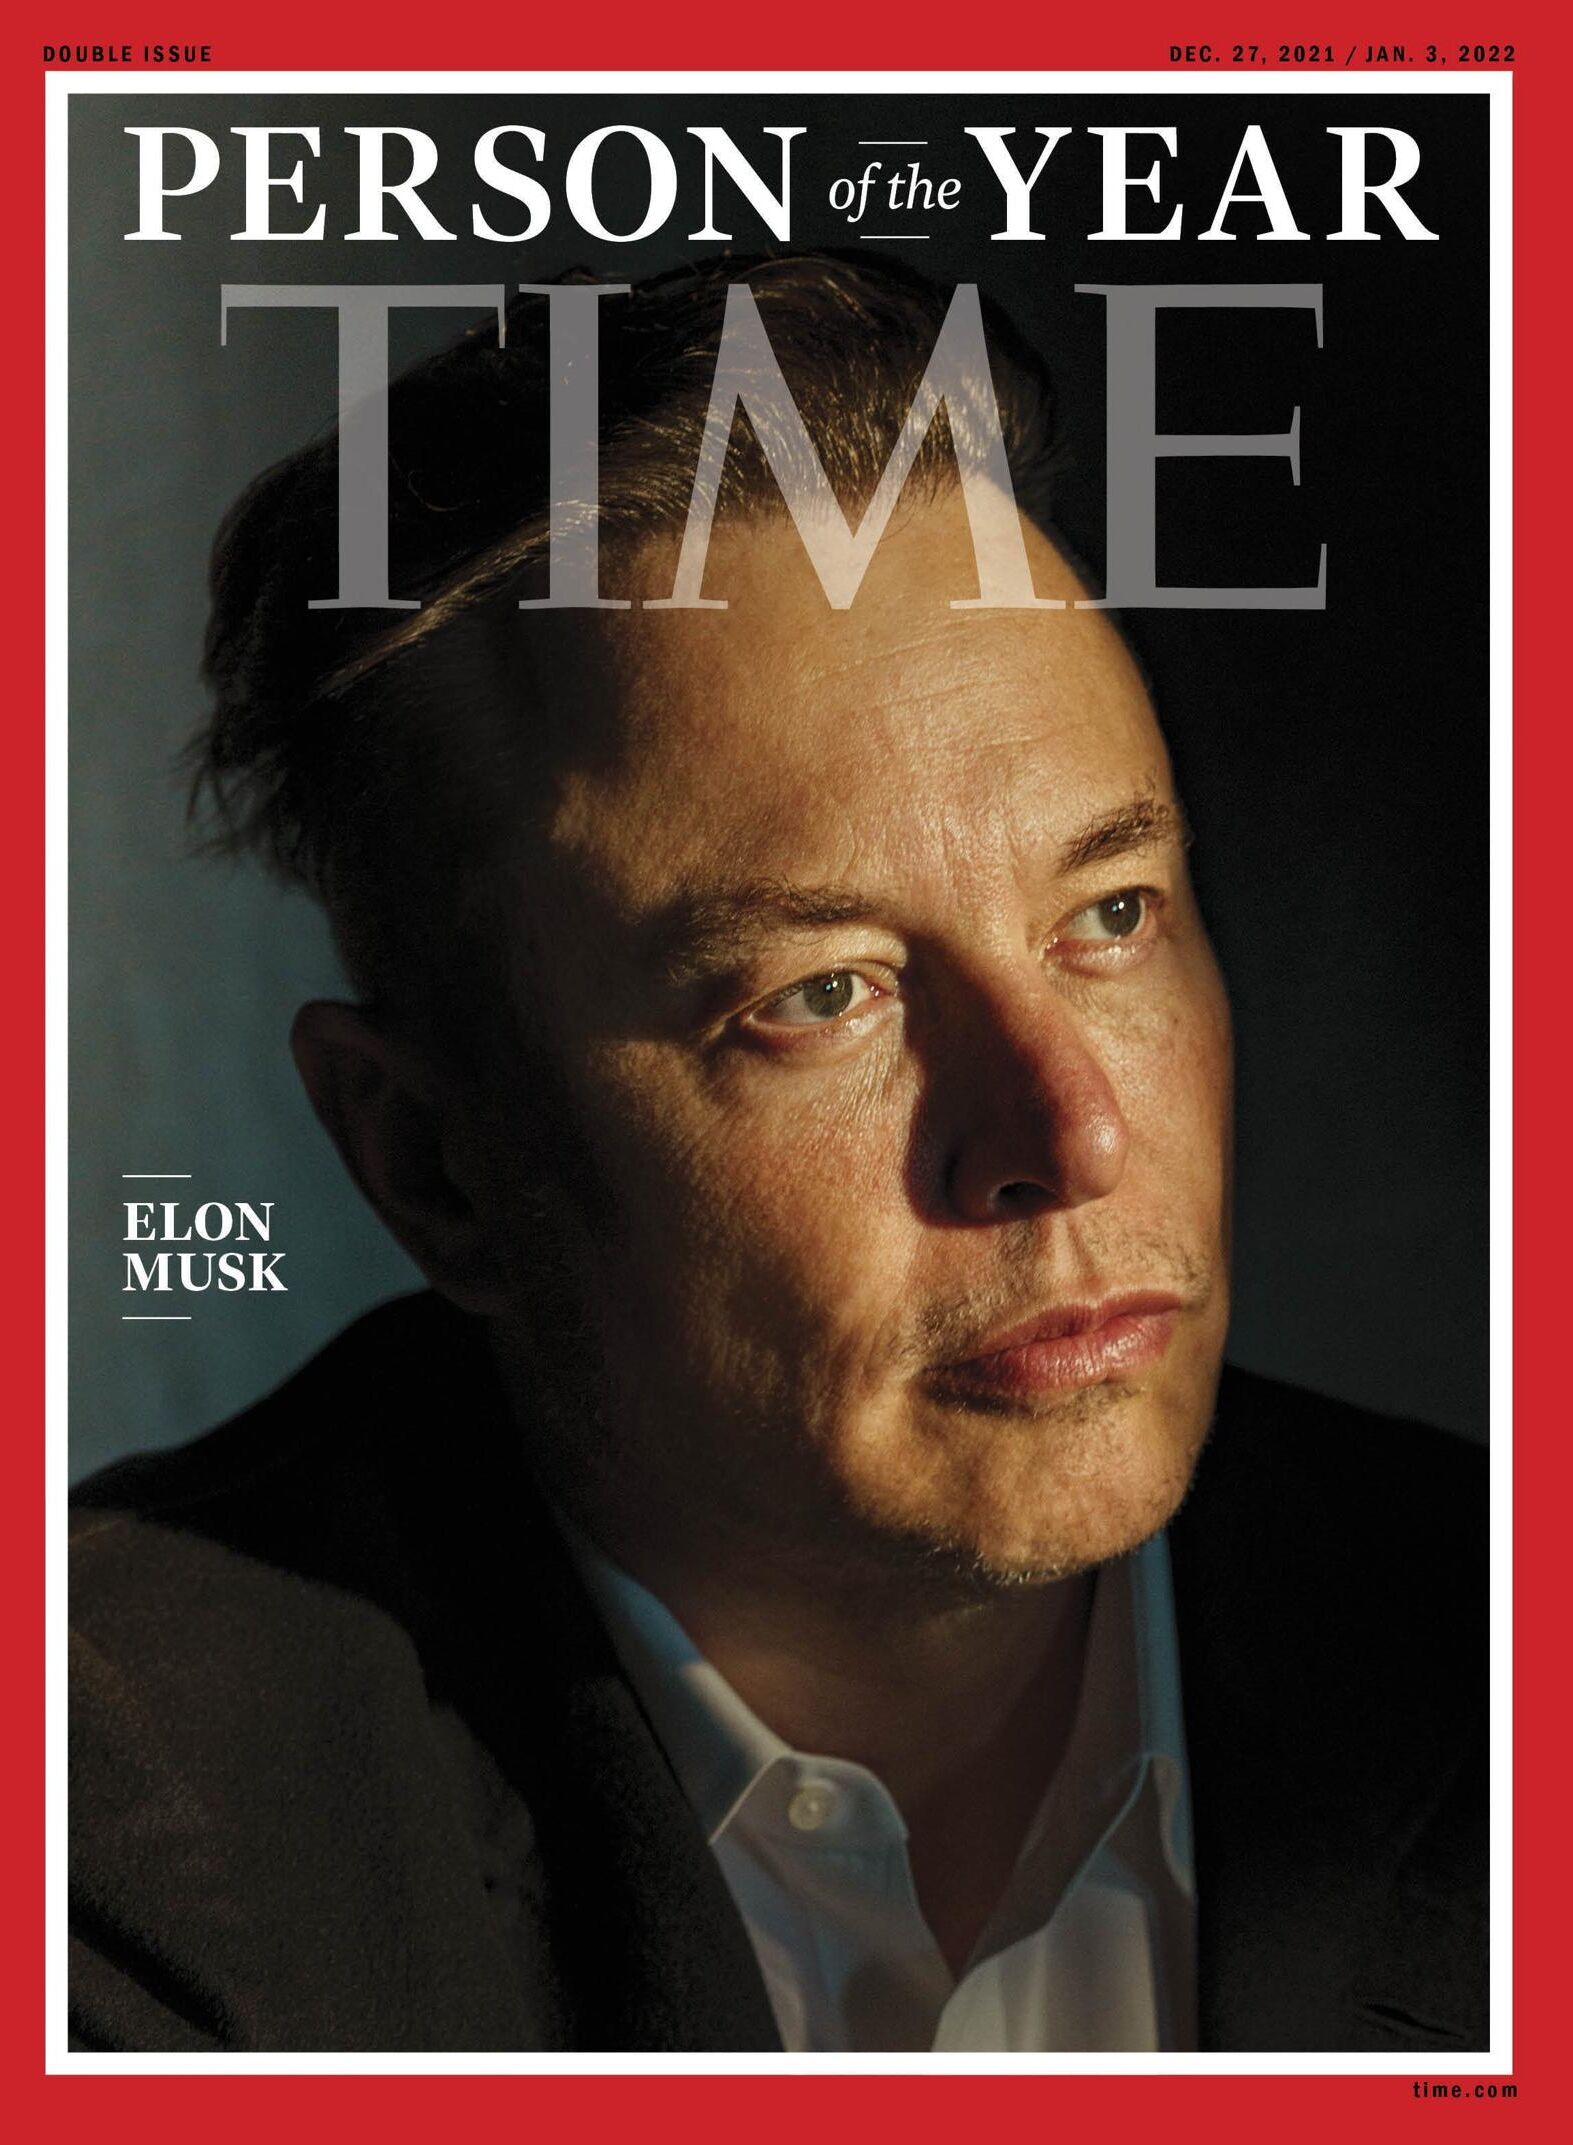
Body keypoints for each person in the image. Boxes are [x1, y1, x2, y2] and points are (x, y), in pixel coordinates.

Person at [69, 254, 1486, 2054]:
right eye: (821, 994)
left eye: (1110, 911)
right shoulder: (99, 1838)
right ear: (433, 1161)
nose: (1069, 1133)